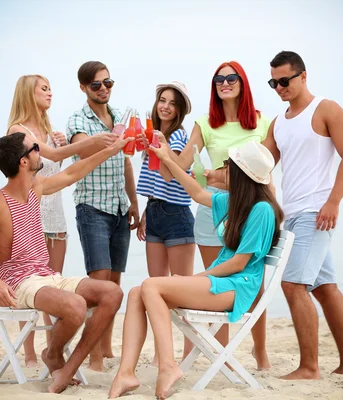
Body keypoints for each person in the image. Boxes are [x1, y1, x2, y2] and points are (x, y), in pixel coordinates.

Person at [109, 139, 284, 399]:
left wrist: (195, 278)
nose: (222, 169)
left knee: (151, 285)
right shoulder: (234, 201)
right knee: (137, 292)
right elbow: (196, 193)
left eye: (227, 165)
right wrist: (167, 159)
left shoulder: (262, 210)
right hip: (222, 283)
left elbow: (239, 263)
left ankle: (168, 367)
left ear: (239, 173)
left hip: (238, 287)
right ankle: (125, 373)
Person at [0, 132, 132, 393]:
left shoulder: (35, 188)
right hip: (19, 283)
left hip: (47, 275)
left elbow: (73, 173)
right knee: (76, 306)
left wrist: (112, 150)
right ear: (23, 161)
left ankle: (66, 367)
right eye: (34, 149)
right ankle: (55, 356)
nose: (39, 152)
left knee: (112, 292)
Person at [158, 61, 273, 369]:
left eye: (231, 77)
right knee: (217, 276)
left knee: (253, 279)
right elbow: (183, 164)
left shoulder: (262, 122)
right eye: (218, 79)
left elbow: (266, 171)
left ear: (242, 82)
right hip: (215, 207)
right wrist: (160, 149)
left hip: (253, 208)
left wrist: (271, 210)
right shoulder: (206, 123)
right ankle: (218, 352)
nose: (224, 83)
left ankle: (259, 350)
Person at [263, 50, 343, 379]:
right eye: (273, 82)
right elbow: (261, 163)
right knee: (324, 288)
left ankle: (309, 368)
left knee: (293, 285)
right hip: (291, 216)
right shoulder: (278, 122)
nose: (279, 87)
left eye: (285, 80)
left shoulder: (327, 109)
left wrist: (333, 202)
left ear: (303, 76)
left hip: (316, 213)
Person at [66, 61, 139, 371]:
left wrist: (134, 202)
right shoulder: (77, 120)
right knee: (99, 284)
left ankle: (106, 349)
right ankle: (93, 356)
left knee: (115, 283)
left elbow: (125, 162)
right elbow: (83, 151)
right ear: (84, 87)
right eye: (96, 85)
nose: (104, 89)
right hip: (92, 207)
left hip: (120, 207)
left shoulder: (121, 116)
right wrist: (111, 140)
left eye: (108, 82)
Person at [5, 74, 70, 366]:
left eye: (50, 89)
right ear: (28, 94)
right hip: (29, 214)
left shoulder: (47, 129)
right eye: (44, 89)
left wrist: (64, 146)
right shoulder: (18, 131)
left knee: (53, 286)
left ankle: (50, 347)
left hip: (55, 213)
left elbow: (54, 168)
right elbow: (49, 159)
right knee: (30, 284)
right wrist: (92, 145)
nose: (50, 93)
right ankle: (29, 354)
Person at [135, 81, 195, 364]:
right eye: (162, 100)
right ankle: (162, 355)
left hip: (178, 215)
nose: (166, 106)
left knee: (182, 291)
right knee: (155, 292)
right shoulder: (151, 136)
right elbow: (155, 184)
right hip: (156, 212)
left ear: (180, 110)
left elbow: (173, 177)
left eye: (172, 103)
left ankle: (187, 353)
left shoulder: (179, 138)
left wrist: (164, 147)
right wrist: (147, 212)